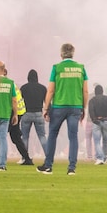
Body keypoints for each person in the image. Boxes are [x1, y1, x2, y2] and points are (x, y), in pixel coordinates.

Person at [37, 43, 88, 176]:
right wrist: (84, 107)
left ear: (61, 54)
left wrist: (46, 107)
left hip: (59, 106)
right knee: (73, 136)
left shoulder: (57, 68)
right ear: (73, 53)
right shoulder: (81, 68)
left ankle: (48, 166)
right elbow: (86, 91)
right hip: (75, 106)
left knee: (53, 134)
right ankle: (71, 168)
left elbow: (51, 90)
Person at [20, 70, 47, 164]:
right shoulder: (43, 88)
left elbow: (19, 101)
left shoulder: (24, 88)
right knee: (42, 136)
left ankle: (24, 157)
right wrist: (48, 113)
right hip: (39, 113)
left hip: (26, 113)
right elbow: (47, 102)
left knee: (25, 137)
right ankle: (48, 156)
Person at [88, 84, 107, 165]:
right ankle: (104, 157)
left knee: (97, 141)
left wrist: (94, 119)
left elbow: (91, 111)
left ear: (95, 92)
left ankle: (100, 158)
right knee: (105, 141)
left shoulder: (92, 100)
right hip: (106, 121)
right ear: (102, 91)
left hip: (97, 122)